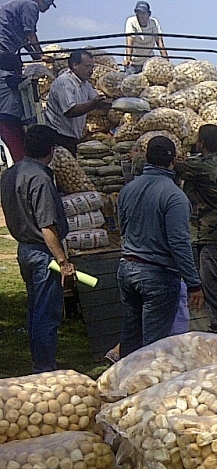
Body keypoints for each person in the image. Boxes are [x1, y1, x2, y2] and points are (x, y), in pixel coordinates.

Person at [117, 135, 204, 357]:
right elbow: (179, 243)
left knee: (131, 336)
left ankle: (125, 376)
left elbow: (123, 228)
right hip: (157, 275)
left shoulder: (128, 189)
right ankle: (149, 378)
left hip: (127, 269)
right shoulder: (175, 197)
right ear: (173, 160)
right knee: (154, 346)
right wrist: (194, 283)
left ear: (146, 158)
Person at [0, 125, 75, 372]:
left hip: (24, 249)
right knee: (47, 313)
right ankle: (45, 367)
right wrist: (63, 261)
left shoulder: (11, 173)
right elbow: (47, 227)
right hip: (43, 254)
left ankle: (38, 361)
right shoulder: (40, 179)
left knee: (35, 308)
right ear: (51, 150)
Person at [175, 123, 217, 336]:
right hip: (214, 233)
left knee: (213, 284)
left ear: (202, 143)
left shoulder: (204, 165)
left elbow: (173, 165)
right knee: (209, 283)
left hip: (212, 235)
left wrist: (137, 158)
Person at [43, 48, 110, 156]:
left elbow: (98, 101)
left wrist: (116, 102)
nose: (91, 71)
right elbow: (70, 111)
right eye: (87, 66)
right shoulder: (64, 82)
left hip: (72, 138)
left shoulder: (85, 84)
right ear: (75, 65)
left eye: (92, 67)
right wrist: (94, 104)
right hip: (58, 137)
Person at [124, 1, 168, 74]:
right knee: (130, 79)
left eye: (143, 13)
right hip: (134, 62)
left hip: (148, 62)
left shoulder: (153, 23)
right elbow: (129, 42)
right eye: (138, 13)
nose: (141, 16)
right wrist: (128, 59)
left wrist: (167, 61)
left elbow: (160, 43)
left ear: (149, 14)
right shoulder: (131, 22)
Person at [0, 51, 25, 161]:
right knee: (19, 153)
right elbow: (20, 81)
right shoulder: (5, 77)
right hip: (7, 119)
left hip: (11, 119)